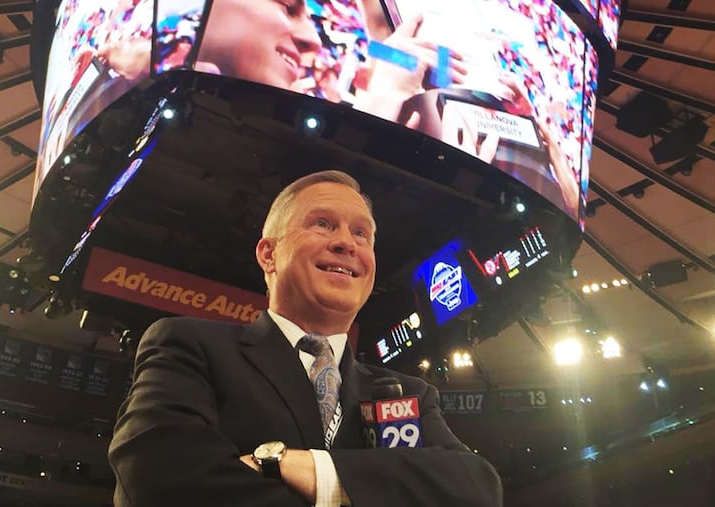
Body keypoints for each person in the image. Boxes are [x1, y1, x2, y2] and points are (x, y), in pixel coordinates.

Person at [108, 170, 503, 506]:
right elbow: (158, 476)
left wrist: (301, 467)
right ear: (268, 254)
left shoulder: (408, 393)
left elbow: (477, 489)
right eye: (323, 224)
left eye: (362, 234)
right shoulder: (190, 345)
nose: (347, 243)